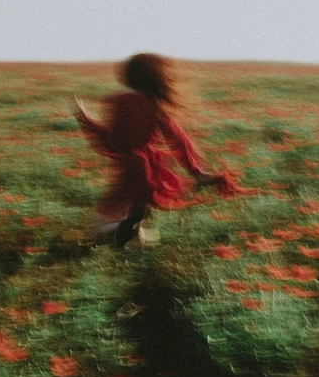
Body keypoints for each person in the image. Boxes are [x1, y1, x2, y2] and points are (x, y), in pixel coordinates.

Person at [74, 53, 236, 246]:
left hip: (131, 168)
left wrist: (87, 121)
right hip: (153, 169)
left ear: (129, 76)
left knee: (99, 226)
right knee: (137, 202)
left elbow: (115, 141)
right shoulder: (156, 104)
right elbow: (178, 138)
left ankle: (125, 232)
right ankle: (132, 234)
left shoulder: (121, 101)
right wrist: (196, 170)